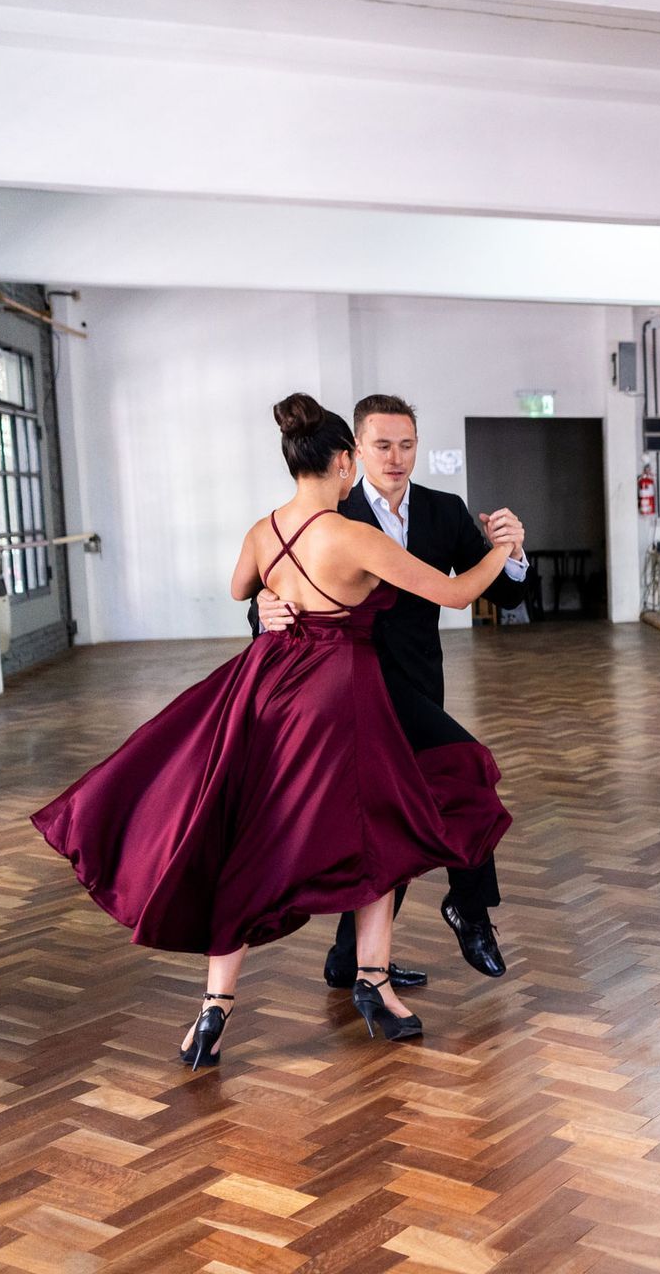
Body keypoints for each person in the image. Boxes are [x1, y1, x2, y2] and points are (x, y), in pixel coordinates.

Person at [34, 394, 514, 1066]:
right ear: (345, 461)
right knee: (388, 823)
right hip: (342, 694)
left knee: (244, 839)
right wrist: (500, 552)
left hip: (265, 690)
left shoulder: (265, 529)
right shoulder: (351, 534)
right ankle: (373, 982)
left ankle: (215, 1010)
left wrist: (272, 594)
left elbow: (240, 590)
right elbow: (457, 594)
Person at [258, 395, 528, 987]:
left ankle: (352, 959)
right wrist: (264, 607)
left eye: (407, 444)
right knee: (449, 785)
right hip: (349, 697)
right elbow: (276, 595)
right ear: (354, 451)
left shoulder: (443, 510)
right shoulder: (332, 513)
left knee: (409, 812)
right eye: (382, 445)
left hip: (417, 691)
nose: (397, 457)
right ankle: (468, 911)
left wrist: (514, 554)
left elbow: (503, 598)